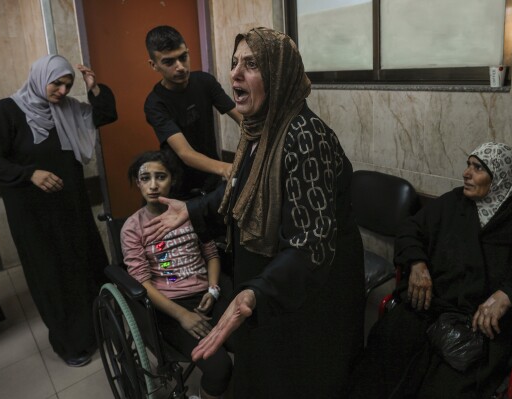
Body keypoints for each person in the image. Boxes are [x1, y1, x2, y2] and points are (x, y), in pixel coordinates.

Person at [144, 27, 365, 398]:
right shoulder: (258, 129)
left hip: (311, 287)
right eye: (234, 64)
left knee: (303, 375)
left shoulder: (305, 136)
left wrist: (255, 293)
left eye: (251, 64)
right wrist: (193, 208)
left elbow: (310, 245)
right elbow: (242, 192)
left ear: (279, 74)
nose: (235, 73)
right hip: (271, 281)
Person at [349, 142, 512, 399]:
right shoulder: (453, 203)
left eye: (477, 168)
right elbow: (411, 230)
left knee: (445, 386)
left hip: (477, 329)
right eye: (468, 165)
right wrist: (417, 263)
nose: (466, 173)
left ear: (500, 178)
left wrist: (508, 295)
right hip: (429, 306)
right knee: (384, 351)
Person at [0, 54, 117, 366]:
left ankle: (99, 329)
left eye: (67, 85)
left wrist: (93, 87)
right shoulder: (7, 110)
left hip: (71, 207)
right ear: (40, 77)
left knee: (84, 265)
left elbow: (106, 115)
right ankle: (71, 343)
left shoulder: (67, 109)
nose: (61, 90)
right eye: (56, 82)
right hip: (33, 217)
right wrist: (30, 173)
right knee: (52, 276)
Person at [121, 150, 232, 399]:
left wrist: (213, 290)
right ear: (137, 182)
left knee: (254, 345)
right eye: (145, 178)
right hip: (171, 307)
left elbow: (212, 255)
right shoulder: (133, 227)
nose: (153, 185)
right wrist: (182, 315)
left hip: (208, 295)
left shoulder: (188, 212)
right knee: (220, 368)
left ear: (172, 180)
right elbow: (142, 281)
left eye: (161, 177)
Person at [144, 25, 243, 200]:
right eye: (169, 62)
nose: (180, 67)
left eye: (183, 57)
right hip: (180, 186)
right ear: (154, 65)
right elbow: (186, 154)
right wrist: (227, 168)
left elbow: (241, 117)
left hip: (212, 181)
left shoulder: (205, 82)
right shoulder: (155, 103)